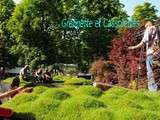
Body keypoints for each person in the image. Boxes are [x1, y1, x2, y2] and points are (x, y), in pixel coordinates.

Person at [128, 21, 159, 91]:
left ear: (147, 26)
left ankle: (152, 89)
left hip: (150, 54)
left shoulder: (148, 30)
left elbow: (142, 43)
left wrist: (133, 47)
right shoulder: (157, 29)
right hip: (157, 53)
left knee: (150, 71)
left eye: (145, 27)